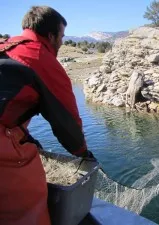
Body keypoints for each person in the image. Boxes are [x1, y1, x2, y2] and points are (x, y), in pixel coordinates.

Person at [0, 6, 95, 225]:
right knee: (28, 198)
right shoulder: (41, 58)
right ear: (51, 36)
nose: (62, 42)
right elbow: (67, 121)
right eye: (61, 36)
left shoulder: (7, 46)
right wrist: (82, 152)